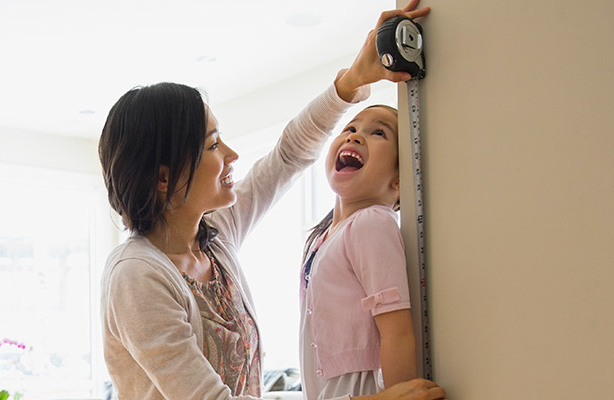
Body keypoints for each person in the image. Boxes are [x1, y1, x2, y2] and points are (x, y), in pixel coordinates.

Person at [96, 1, 441, 399]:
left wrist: (350, 82)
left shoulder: (214, 239)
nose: (231, 154)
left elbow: (288, 155)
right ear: (163, 177)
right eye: (212, 145)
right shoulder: (136, 276)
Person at [298, 103, 414, 400]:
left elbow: (396, 331)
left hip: (359, 388)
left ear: (399, 180)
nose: (355, 137)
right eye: (350, 128)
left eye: (378, 132)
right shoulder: (321, 238)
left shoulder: (372, 222)